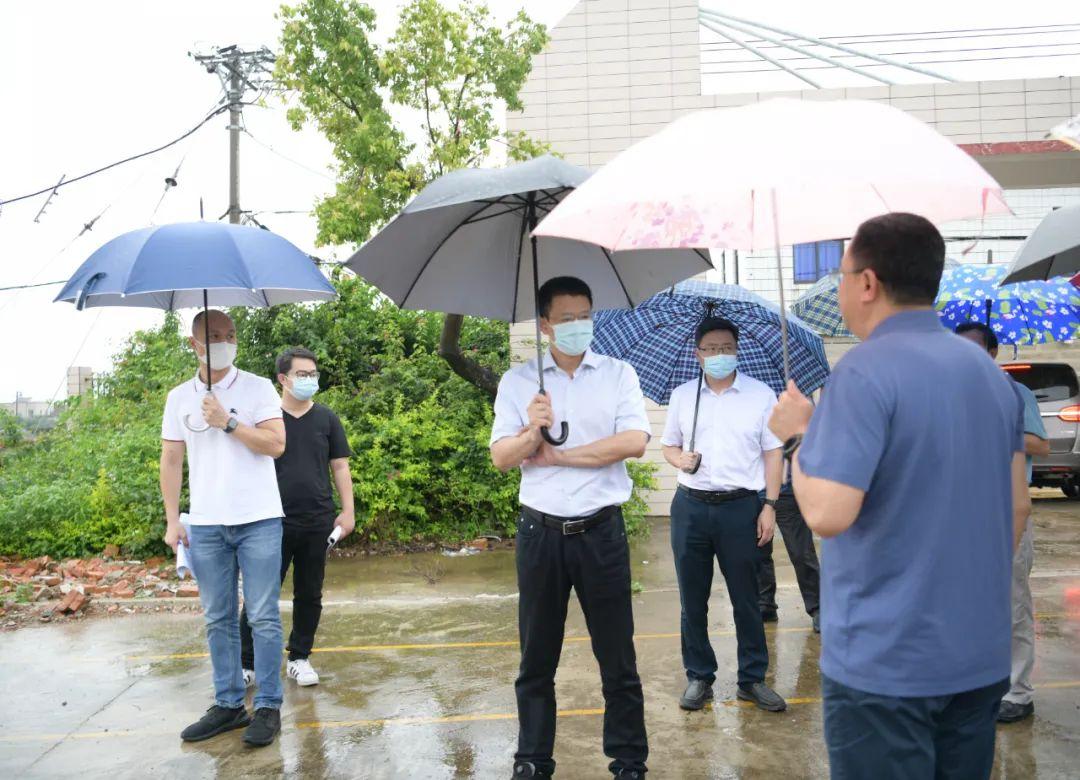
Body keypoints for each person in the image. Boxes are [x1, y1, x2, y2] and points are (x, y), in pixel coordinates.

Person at [768, 212, 1031, 780]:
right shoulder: (992, 377)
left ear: (868, 283)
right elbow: (1018, 506)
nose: (840, 289)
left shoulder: (862, 374)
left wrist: (797, 434)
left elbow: (827, 513)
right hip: (978, 653)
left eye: (842, 275)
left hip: (885, 665)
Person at [489, 276, 650, 780]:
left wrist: (560, 455)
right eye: (566, 318)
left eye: (585, 315)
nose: (579, 326)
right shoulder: (519, 382)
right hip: (540, 537)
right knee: (536, 658)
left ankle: (628, 761)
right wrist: (532, 430)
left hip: (602, 532)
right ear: (544, 325)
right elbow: (501, 458)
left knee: (617, 657)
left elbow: (632, 442)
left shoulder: (618, 374)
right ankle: (532, 759)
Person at [160, 309, 287, 747]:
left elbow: (275, 444)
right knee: (218, 618)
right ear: (195, 344)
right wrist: (173, 519)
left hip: (259, 519)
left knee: (262, 615)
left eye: (230, 334)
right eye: (214, 335)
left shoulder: (258, 387)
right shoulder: (178, 397)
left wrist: (229, 422)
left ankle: (268, 705)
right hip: (208, 524)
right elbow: (172, 459)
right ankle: (230, 704)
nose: (225, 341)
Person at [660, 316, 787, 713]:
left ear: (737, 350)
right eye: (711, 349)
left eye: (726, 348)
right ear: (698, 354)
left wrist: (769, 505)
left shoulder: (761, 394)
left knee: (747, 598)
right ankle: (699, 676)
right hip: (691, 507)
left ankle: (752, 679)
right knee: (691, 599)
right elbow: (668, 446)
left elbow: (773, 453)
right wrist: (679, 458)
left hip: (741, 508)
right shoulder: (684, 396)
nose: (719, 355)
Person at [239, 347, 354, 688]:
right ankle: (248, 663)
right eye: (302, 374)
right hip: (270, 520)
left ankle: (299, 658)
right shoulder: (267, 418)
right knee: (261, 594)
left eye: (313, 374)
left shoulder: (327, 418)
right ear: (283, 379)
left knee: (309, 593)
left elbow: (340, 465)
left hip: (318, 520)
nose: (309, 380)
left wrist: (347, 512)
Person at [956, 322, 1049, 724]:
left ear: (992, 353)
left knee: (1011, 603)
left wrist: (997, 429)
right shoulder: (952, 395)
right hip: (961, 511)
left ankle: (1018, 691)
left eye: (976, 349)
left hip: (1007, 508)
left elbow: (1040, 444)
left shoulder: (1015, 393)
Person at [756, 485, 821, 633]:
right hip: (755, 492)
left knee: (801, 554)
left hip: (788, 492)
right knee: (759, 552)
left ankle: (818, 608)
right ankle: (765, 604)